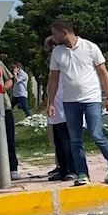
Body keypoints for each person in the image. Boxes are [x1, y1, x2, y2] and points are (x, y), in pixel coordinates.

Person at [47, 19, 108, 186]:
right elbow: (53, 79)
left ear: (65, 32)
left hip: (91, 99)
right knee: (75, 140)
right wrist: (51, 102)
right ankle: (82, 172)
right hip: (70, 102)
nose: (53, 37)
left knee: (96, 134)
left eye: (55, 34)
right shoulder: (57, 52)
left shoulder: (90, 47)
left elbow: (103, 72)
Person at [44, 36, 77, 182]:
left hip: (67, 103)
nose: (48, 54)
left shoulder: (66, 60)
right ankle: (62, 169)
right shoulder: (54, 63)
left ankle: (73, 169)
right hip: (56, 105)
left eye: (49, 50)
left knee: (68, 141)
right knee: (58, 140)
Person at [0, 57, 20, 181]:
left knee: (9, 138)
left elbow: (9, 80)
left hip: (3, 106)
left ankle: (12, 168)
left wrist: (4, 88)